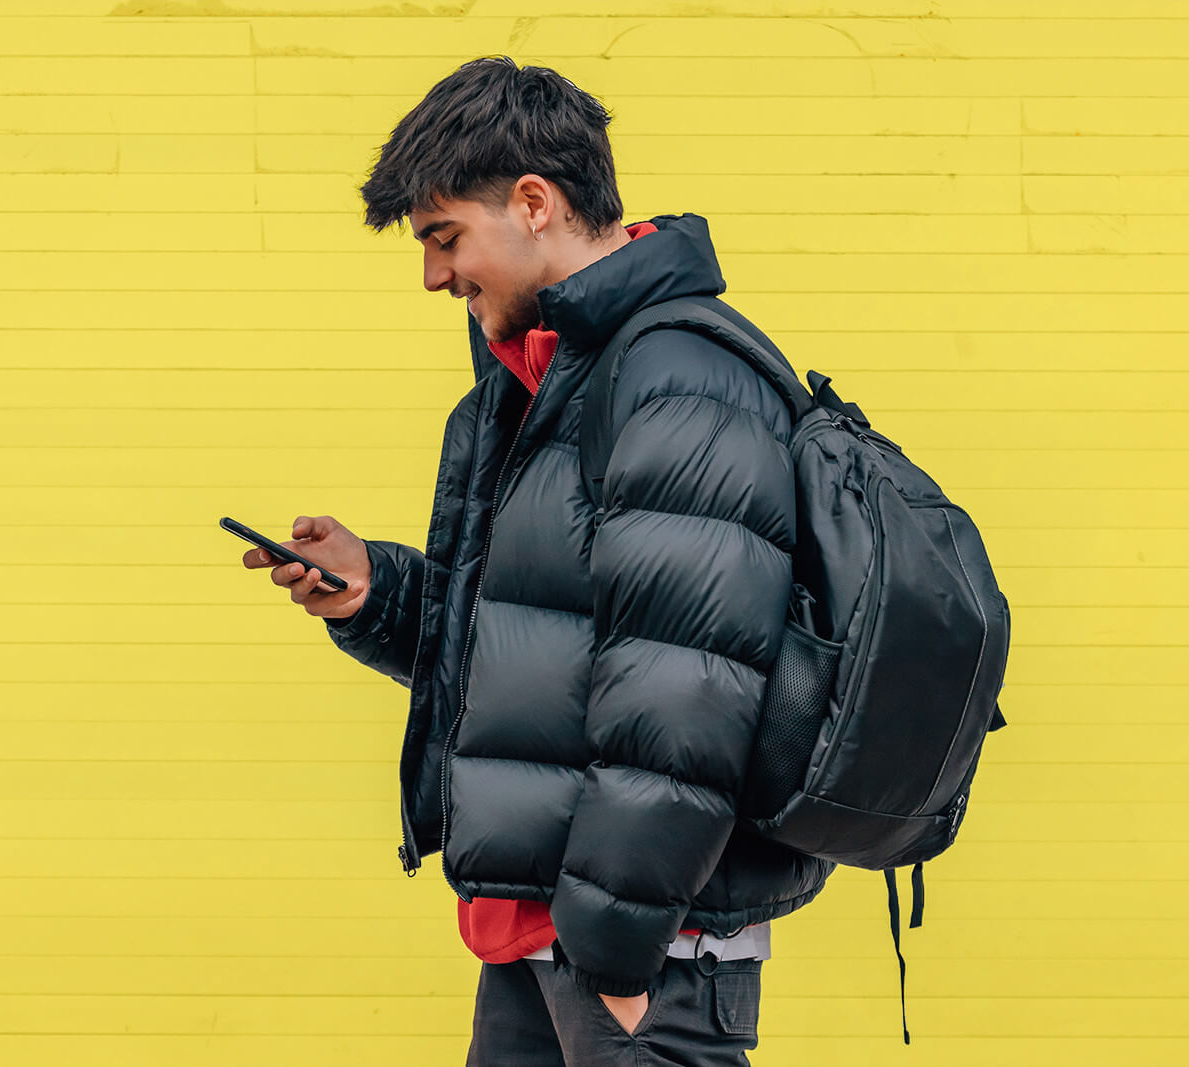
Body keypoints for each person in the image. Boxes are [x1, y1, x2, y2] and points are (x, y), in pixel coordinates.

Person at [239, 56, 833, 1066]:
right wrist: (378, 595)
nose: (433, 275)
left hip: (641, 949)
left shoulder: (674, 378)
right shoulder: (537, 382)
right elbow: (539, 644)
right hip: (538, 933)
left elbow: (684, 692)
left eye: (443, 238)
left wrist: (614, 953)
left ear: (532, 202)